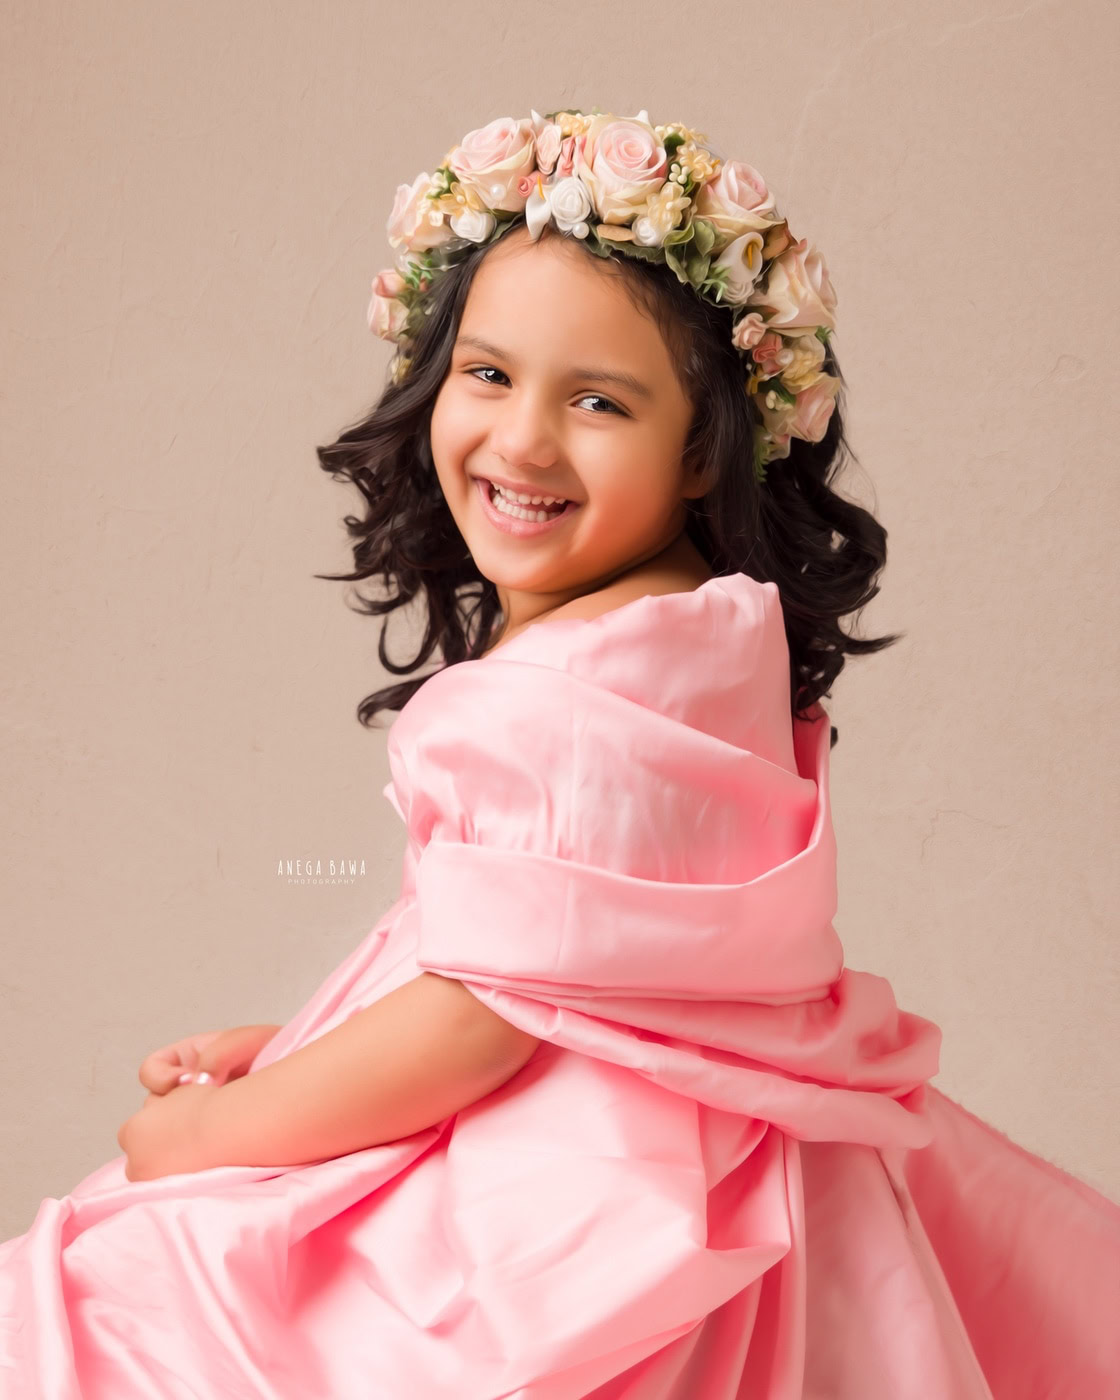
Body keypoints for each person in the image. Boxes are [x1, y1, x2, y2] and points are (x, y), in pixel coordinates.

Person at [1, 106, 1116, 1399]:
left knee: (123, 1313)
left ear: (704, 449)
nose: (524, 441)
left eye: (596, 400)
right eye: (488, 375)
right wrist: (311, 1045)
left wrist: (205, 1135)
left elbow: (480, 1024)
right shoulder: (706, 636)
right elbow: (593, 970)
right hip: (733, 1172)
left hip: (580, 1222)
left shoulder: (559, 693)